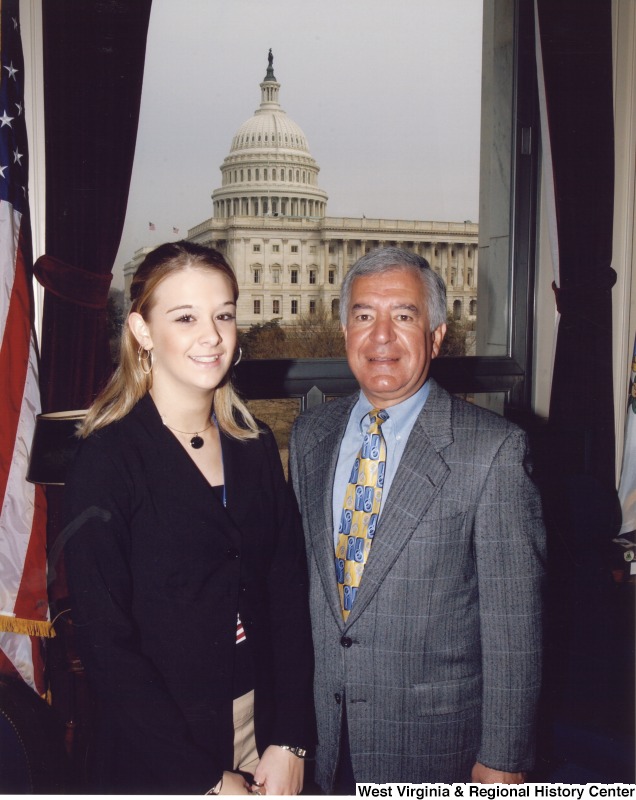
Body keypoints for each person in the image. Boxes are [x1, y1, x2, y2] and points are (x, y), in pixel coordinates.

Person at [288, 246, 546, 791]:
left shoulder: (492, 451)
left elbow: (514, 627)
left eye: (403, 316)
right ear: (344, 334)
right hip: (324, 735)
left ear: (436, 336)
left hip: (436, 745)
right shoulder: (311, 436)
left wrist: (503, 759)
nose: (381, 337)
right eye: (363, 316)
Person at [63, 241, 314, 795]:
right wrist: (200, 778)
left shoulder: (253, 445)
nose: (213, 336)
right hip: (160, 746)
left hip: (262, 726)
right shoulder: (107, 461)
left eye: (224, 314)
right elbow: (107, 644)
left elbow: (289, 595)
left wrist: (292, 738)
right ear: (142, 330)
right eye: (186, 317)